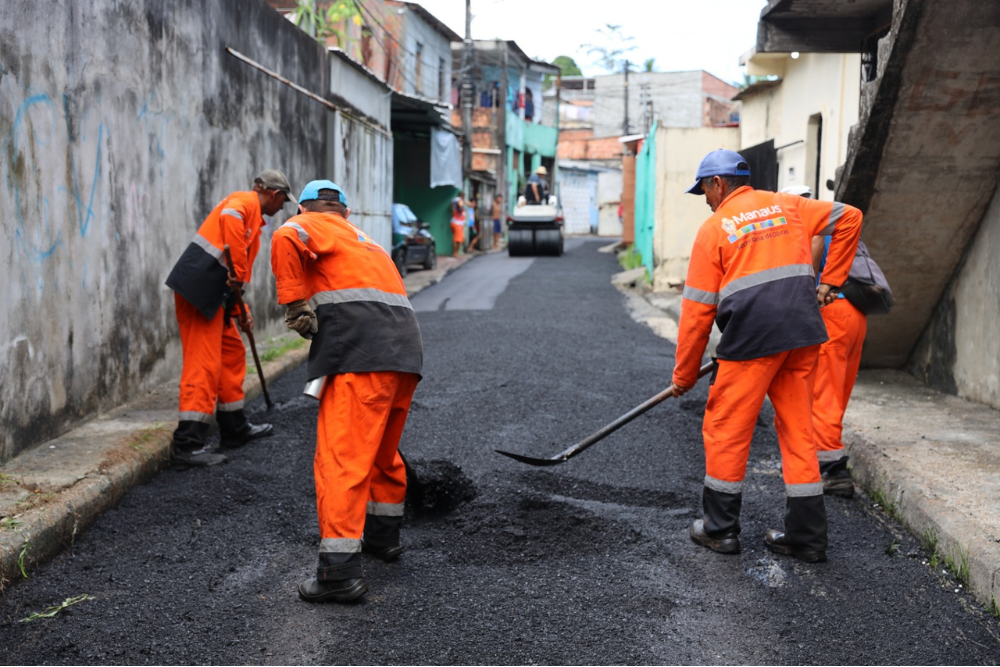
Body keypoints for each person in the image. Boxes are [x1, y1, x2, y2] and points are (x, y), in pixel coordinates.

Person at [673, 149, 862, 563]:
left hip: (753, 339)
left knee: (726, 427)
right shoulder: (788, 205)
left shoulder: (714, 228)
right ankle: (806, 537)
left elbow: (696, 313)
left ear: (718, 183)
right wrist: (830, 281)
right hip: (801, 331)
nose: (705, 198)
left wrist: (685, 375)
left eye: (704, 189)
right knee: (798, 430)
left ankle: (720, 530)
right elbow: (850, 216)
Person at [270, 180, 424, 603]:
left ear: (303, 209)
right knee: (380, 451)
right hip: (405, 354)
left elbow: (286, 235)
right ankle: (382, 536)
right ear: (347, 213)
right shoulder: (367, 242)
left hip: (360, 353)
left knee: (342, 458)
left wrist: (295, 303)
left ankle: (338, 574)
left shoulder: (309, 225)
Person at [165, 170, 294, 466]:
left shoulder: (255, 225)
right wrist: (236, 269)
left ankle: (234, 428)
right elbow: (231, 225)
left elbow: (236, 280)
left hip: (216, 298)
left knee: (232, 354)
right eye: (283, 201)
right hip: (198, 293)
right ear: (273, 194)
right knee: (204, 365)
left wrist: (241, 311)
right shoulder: (244, 202)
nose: (282, 208)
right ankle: (187, 445)